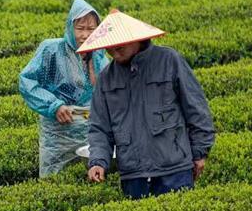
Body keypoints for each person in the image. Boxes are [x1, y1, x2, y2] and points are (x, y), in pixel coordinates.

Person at [82, 11, 215, 199]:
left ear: (136, 39)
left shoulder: (169, 60)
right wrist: (97, 162)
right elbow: (99, 128)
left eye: (119, 46)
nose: (113, 51)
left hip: (174, 170)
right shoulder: (106, 79)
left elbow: (196, 109)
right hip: (133, 175)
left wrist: (200, 152)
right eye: (109, 47)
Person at [18, 0, 110, 178]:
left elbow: (106, 90)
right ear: (70, 27)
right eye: (80, 28)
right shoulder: (52, 50)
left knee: (88, 176)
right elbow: (27, 81)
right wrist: (54, 105)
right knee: (55, 177)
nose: (85, 35)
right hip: (59, 132)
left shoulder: (99, 55)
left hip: (89, 130)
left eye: (91, 29)